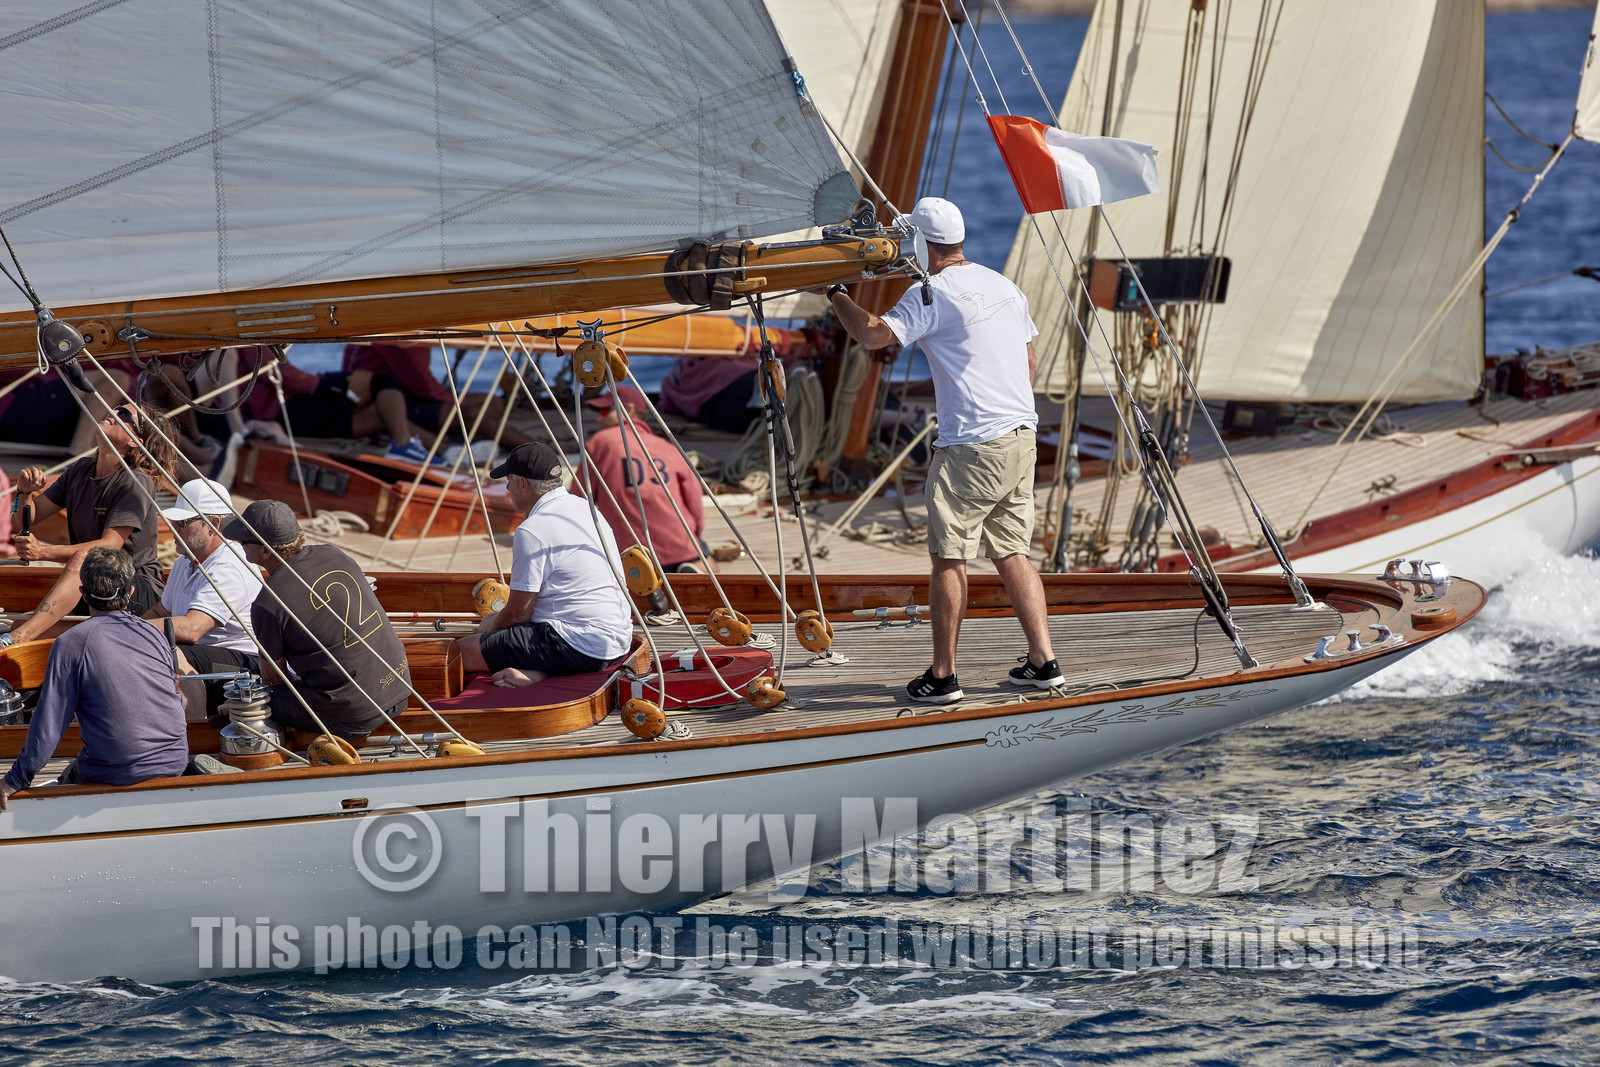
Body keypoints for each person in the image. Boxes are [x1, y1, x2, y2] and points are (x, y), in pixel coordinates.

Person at [827, 196, 1062, 704]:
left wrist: (834, 291)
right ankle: (1044, 663)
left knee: (948, 559)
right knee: (1013, 552)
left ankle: (942, 677)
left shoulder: (930, 293)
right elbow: (1029, 363)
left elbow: (871, 335)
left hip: (971, 448)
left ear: (921, 243)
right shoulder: (1004, 285)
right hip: (1021, 438)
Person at [0, 547, 189, 810]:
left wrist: (14, 780)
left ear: (82, 593)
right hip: (175, 762)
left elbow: (49, 725)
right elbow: (179, 701)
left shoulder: (71, 643)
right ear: (131, 592)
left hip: (117, 772)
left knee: (72, 773)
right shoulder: (155, 634)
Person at [222, 499, 410, 739]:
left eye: (243, 540)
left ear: (266, 551)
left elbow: (275, 680)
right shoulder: (334, 554)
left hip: (353, 715)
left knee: (243, 700)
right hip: (400, 688)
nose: (239, 544)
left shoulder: (268, 604)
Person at [0, 401, 176, 649]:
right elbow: (21, 521)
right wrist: (24, 493)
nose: (113, 412)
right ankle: (27, 636)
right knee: (21, 624)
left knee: (86, 558)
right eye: (116, 408)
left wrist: (42, 552)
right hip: (93, 584)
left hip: (132, 590)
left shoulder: (136, 481)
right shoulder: (80, 470)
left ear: (136, 441)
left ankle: (17, 639)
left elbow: (109, 546)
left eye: (124, 415)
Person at [460, 442, 633, 688]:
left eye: (509, 481)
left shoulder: (532, 530)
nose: (507, 488)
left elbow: (519, 613)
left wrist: (492, 625)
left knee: (458, 652)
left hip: (578, 645)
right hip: (616, 642)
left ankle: (540, 669)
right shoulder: (587, 508)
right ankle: (539, 672)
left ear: (523, 484)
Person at [575, 384, 711, 622]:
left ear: (627, 410)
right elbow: (694, 501)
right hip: (679, 545)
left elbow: (578, 500)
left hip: (630, 552)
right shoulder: (669, 447)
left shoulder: (600, 443)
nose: (598, 419)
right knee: (705, 555)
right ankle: (693, 567)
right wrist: (696, 537)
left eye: (605, 411)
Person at [143, 477, 264, 716]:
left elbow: (192, 629)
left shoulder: (230, 565)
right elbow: (160, 612)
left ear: (213, 524)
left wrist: (126, 629)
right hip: (203, 659)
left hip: (244, 671)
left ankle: (192, 728)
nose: (174, 528)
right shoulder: (185, 561)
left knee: (168, 650)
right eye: (173, 521)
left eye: (183, 522)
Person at [343, 342, 533, 449]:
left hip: (384, 398)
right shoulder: (402, 336)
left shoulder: (382, 326)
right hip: (388, 403)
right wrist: (459, 403)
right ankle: (534, 447)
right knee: (475, 413)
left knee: (491, 402)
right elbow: (422, 386)